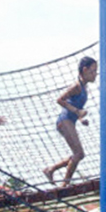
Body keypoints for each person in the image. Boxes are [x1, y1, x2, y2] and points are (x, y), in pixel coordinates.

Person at [43, 56, 97, 187]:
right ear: (84, 70)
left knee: (79, 154)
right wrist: (77, 112)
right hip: (64, 120)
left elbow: (75, 104)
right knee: (78, 154)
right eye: (93, 71)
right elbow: (60, 100)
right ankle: (64, 185)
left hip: (70, 121)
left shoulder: (84, 88)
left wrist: (80, 118)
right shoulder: (77, 86)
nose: (95, 74)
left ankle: (51, 169)